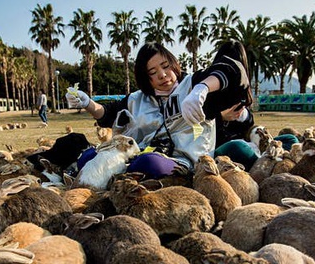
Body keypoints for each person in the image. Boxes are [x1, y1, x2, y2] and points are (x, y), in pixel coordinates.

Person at [65, 41, 249, 179]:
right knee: (88, 156)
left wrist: (202, 89)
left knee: (149, 164)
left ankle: (114, 175)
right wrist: (87, 102)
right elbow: (106, 115)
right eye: (152, 72)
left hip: (184, 163)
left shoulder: (192, 85)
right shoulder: (137, 99)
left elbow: (235, 71)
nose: (162, 74)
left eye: (165, 66)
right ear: (146, 77)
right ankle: (117, 173)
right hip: (137, 155)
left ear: (173, 63)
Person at [205, 40, 258, 172]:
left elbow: (248, 125)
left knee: (289, 138)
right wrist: (221, 118)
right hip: (217, 150)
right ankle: (259, 166)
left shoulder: (242, 92)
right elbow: (198, 130)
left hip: (243, 146)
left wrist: (244, 116)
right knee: (238, 147)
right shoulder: (207, 92)